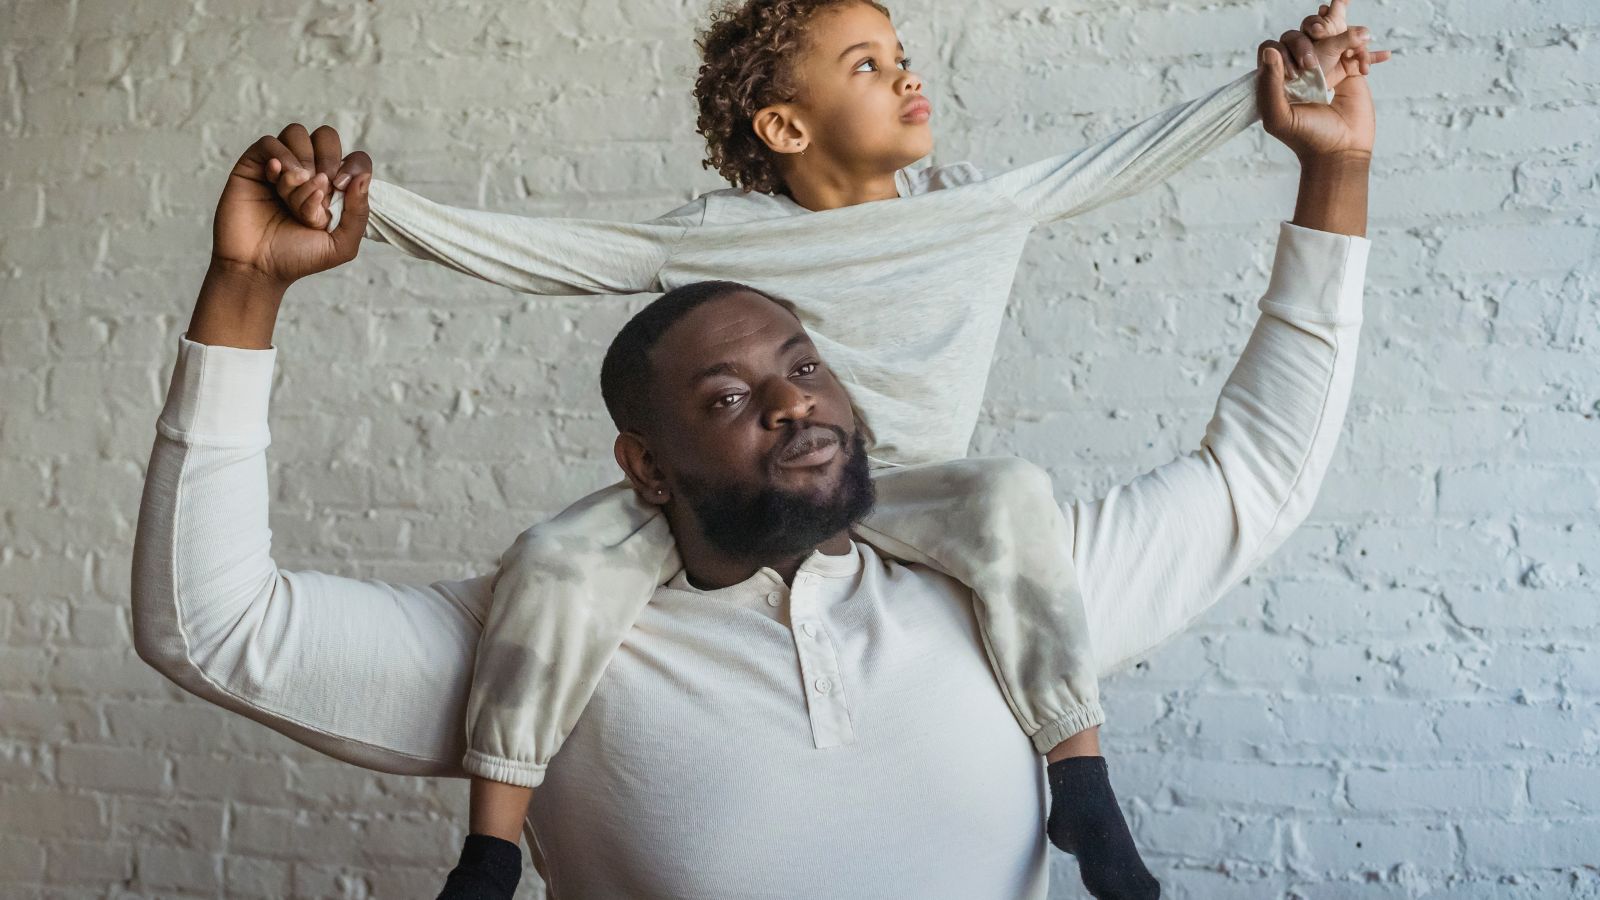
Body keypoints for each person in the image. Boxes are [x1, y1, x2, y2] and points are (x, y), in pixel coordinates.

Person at [131, 16, 1377, 897]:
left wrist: (1330, 169)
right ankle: (488, 855)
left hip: (949, 523)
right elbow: (213, 626)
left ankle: (1085, 784)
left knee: (1009, 494)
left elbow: (1255, 475)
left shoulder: (1011, 581)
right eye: (727, 394)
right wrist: (257, 279)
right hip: (582, 595)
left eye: (804, 366)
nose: (790, 402)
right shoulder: (551, 637)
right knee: (557, 563)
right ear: (646, 465)